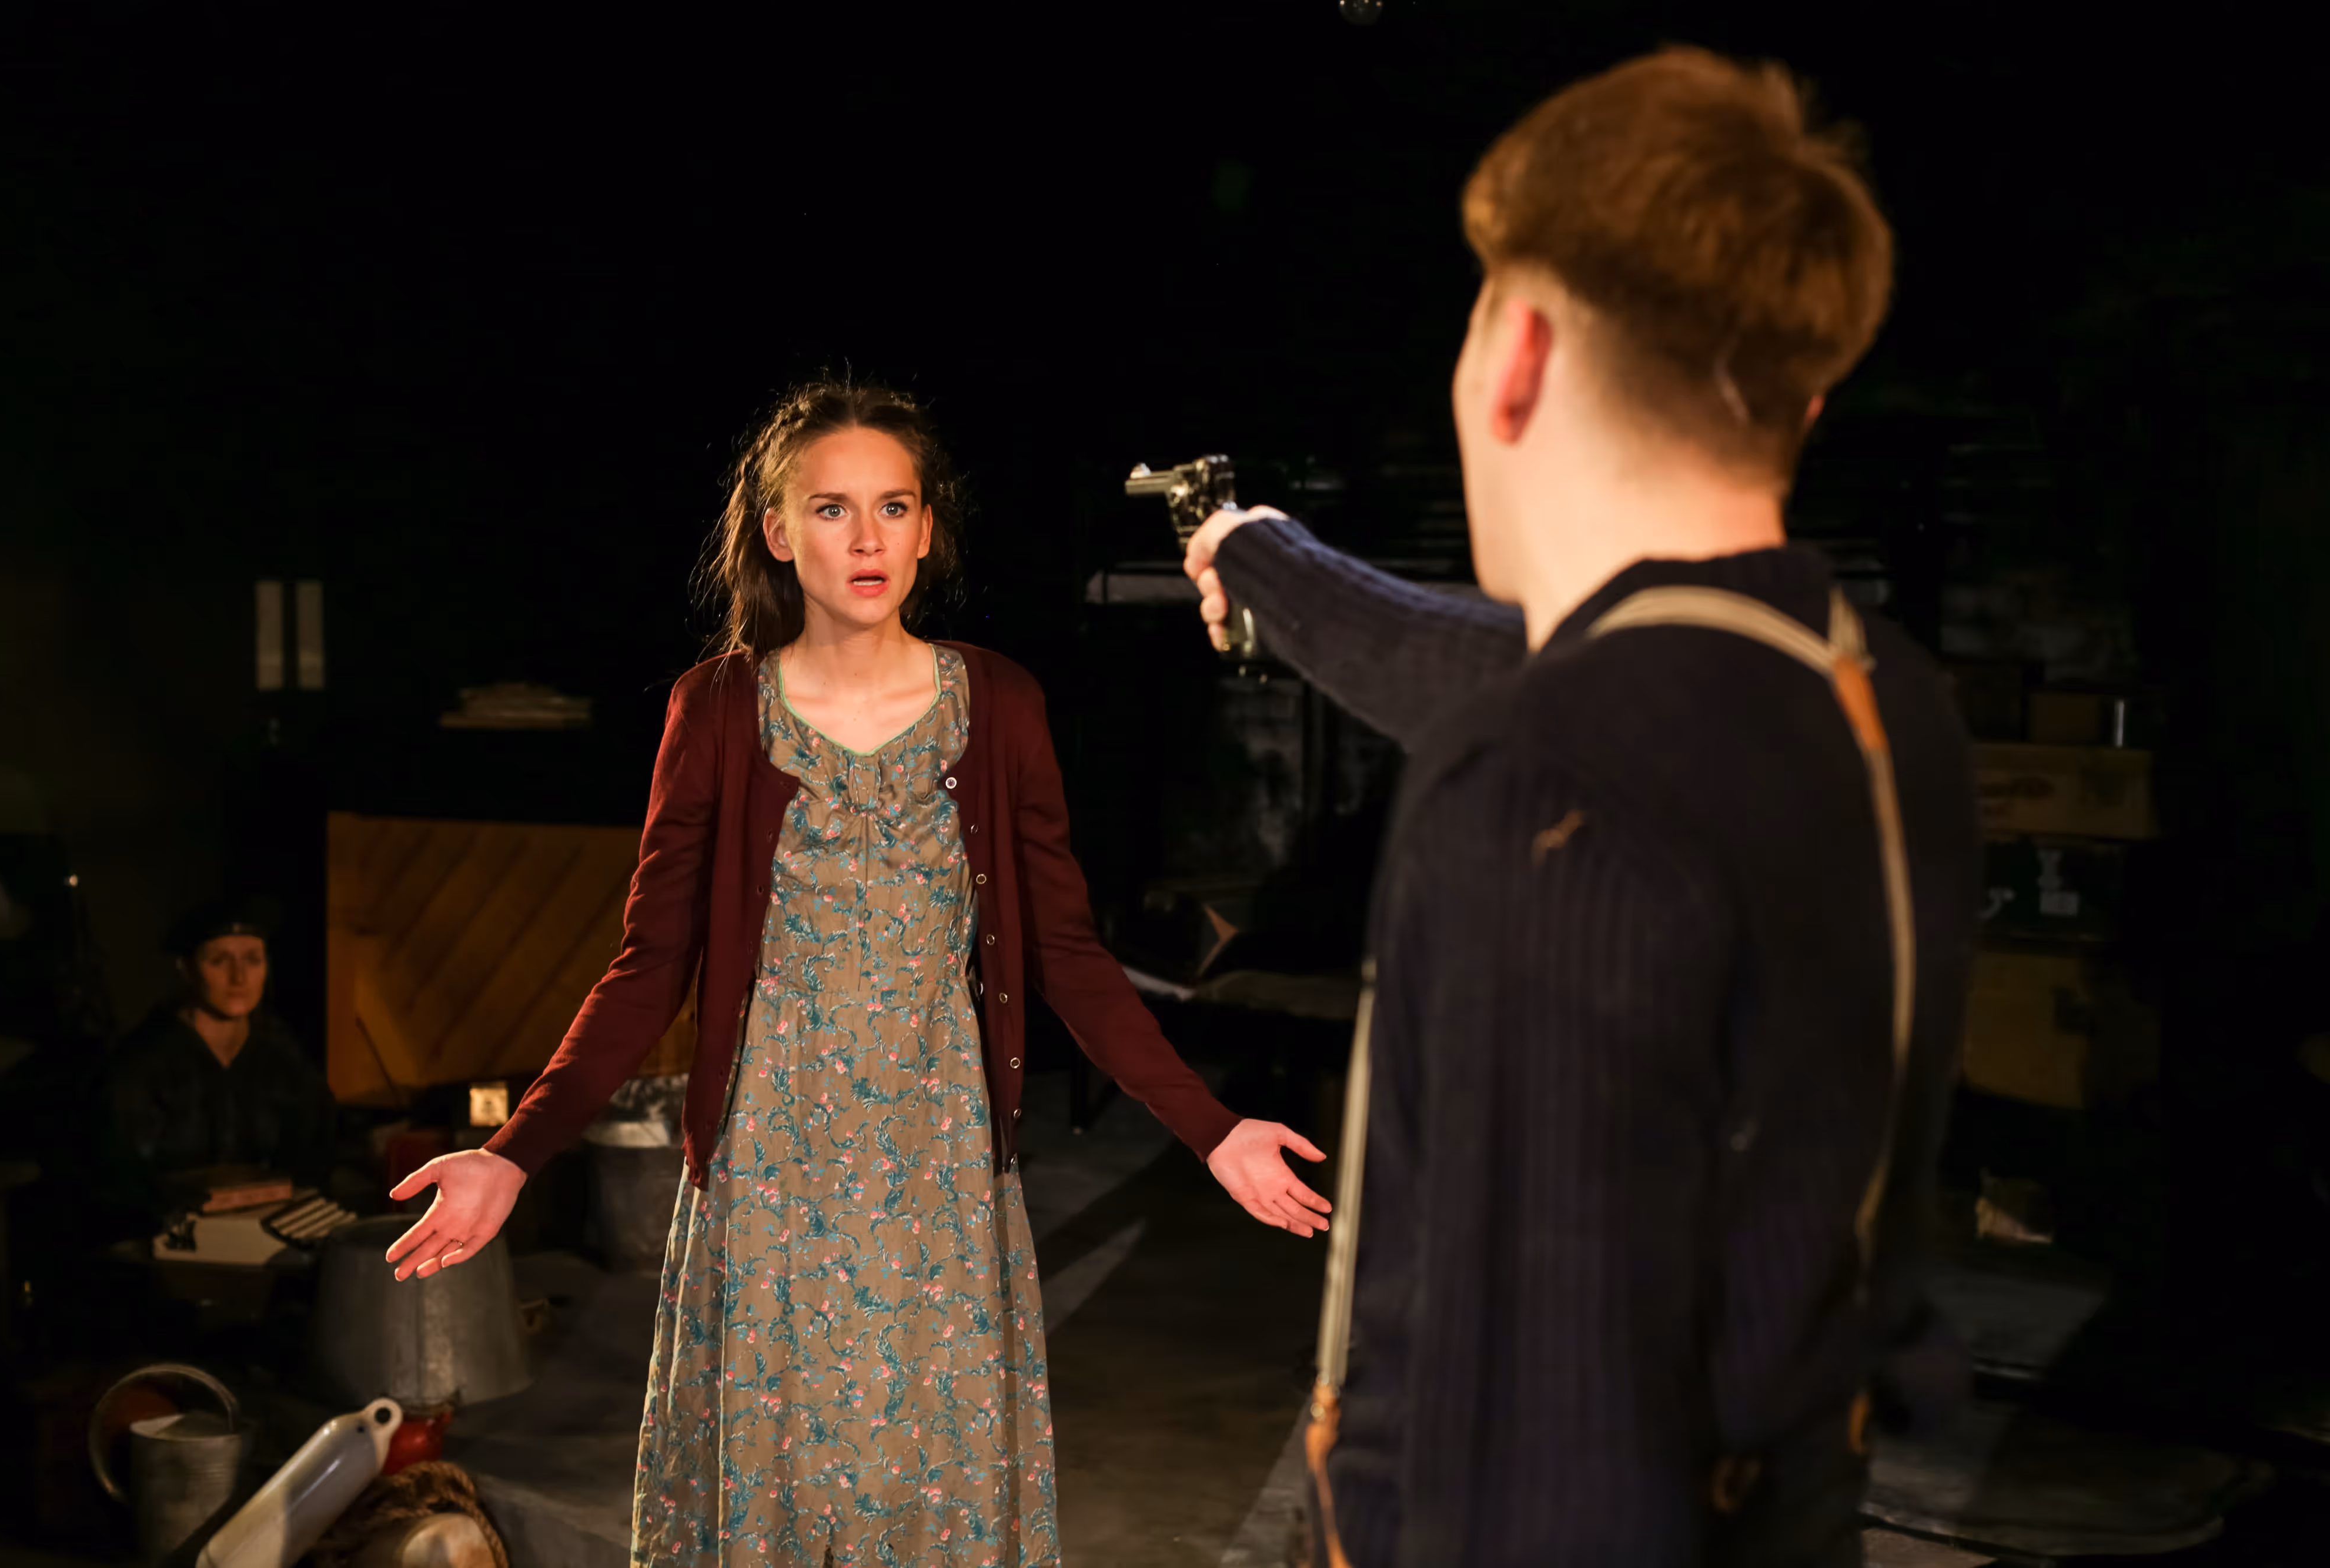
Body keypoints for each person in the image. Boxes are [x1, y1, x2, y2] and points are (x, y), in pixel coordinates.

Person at [1185, 47, 1981, 1567]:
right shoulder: (1878, 695)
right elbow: (1538, 662)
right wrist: (1269, 558)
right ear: (1799, 395)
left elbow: (1540, 1456)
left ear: (1523, 352)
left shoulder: (1545, 791)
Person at [385, 381, 1332, 1567]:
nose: (868, 537)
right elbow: (647, 968)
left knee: (923, 1508)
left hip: (935, 1184)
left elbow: (1070, 959)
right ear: (779, 531)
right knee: (772, 1511)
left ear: (928, 527)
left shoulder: (996, 705)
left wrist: (1211, 1128)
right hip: (768, 1176)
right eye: (832, 508)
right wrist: (513, 1152)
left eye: (893, 506)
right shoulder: (719, 708)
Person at [101, 896, 335, 1226]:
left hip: (275, 1228)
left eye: (253, 960)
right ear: (187, 969)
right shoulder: (144, 1061)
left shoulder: (283, 1056)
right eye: (219, 961)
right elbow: (119, 1173)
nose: (239, 977)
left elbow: (318, 1152)